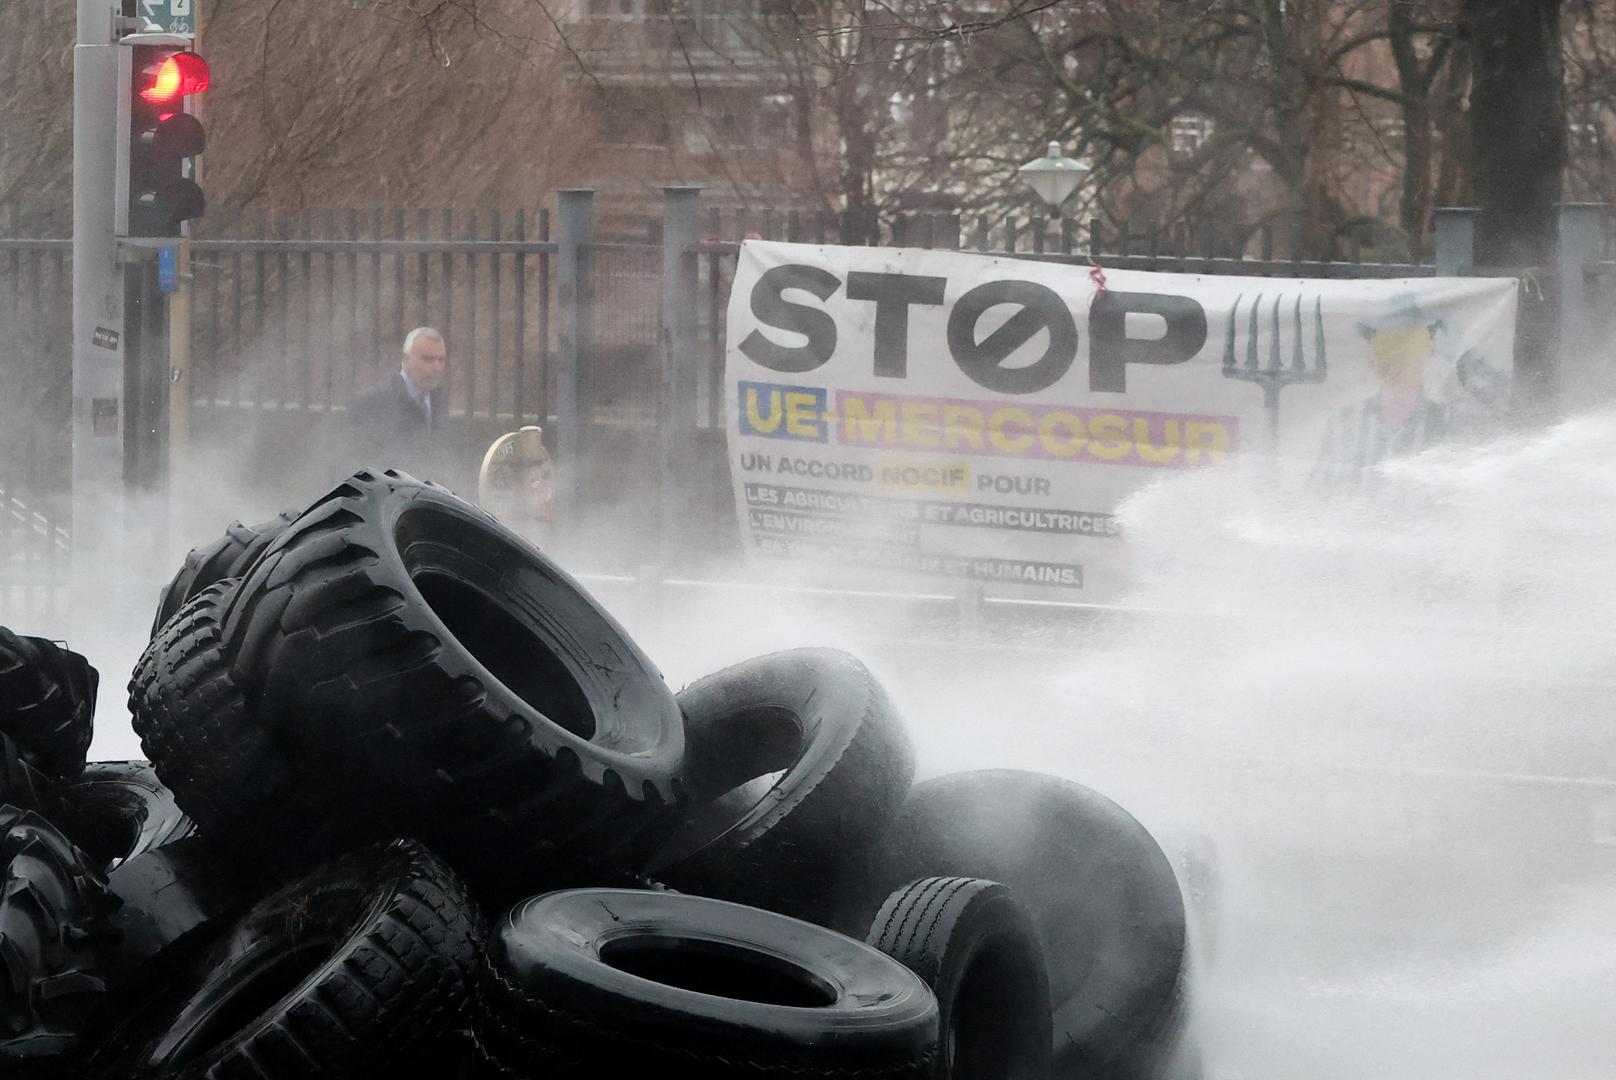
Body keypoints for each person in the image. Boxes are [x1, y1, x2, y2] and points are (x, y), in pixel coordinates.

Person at [343, 327, 452, 481]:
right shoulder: (375, 400)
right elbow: (359, 458)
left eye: (441, 360)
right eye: (428, 359)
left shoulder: (438, 399)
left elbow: (441, 452)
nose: (437, 367)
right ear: (406, 359)